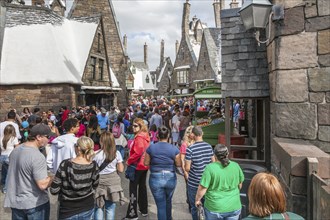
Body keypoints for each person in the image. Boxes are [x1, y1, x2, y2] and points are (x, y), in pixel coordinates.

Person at [4, 124, 53, 219]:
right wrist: (54, 177)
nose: (49, 140)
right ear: (38, 137)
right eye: (48, 137)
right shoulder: (37, 156)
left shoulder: (16, 150)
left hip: (16, 203)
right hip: (34, 204)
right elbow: (42, 185)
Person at [50, 136, 99, 220]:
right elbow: (95, 185)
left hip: (67, 209)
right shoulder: (94, 165)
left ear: (78, 148)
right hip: (87, 207)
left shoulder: (65, 164)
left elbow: (54, 190)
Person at [195, 144, 244, 220]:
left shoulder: (210, 168)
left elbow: (202, 188)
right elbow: (240, 186)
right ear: (227, 154)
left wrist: (198, 200)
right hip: (234, 206)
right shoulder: (236, 166)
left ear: (214, 155)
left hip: (215, 207)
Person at [144, 126, 181, 220]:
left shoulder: (151, 148)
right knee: (168, 201)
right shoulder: (174, 149)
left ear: (157, 136)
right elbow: (179, 164)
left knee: (160, 205)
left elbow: (146, 163)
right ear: (168, 135)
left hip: (155, 177)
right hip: (170, 177)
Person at [185, 126, 215, 220]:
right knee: (207, 207)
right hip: (207, 182)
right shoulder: (209, 146)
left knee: (194, 207)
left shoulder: (190, 149)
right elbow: (213, 163)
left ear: (193, 135)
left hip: (194, 183)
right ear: (202, 134)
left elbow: (187, 168)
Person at [94, 132, 125, 220]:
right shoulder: (117, 153)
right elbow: (121, 169)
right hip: (113, 183)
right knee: (110, 208)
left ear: (101, 141)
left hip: (99, 182)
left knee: (99, 206)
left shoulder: (95, 154)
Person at [124, 118, 150, 219]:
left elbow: (138, 152)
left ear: (140, 126)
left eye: (136, 126)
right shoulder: (145, 136)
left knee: (133, 189)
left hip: (137, 165)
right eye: (133, 125)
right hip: (144, 165)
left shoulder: (139, 137)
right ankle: (143, 209)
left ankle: (132, 214)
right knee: (142, 187)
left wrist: (129, 160)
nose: (133, 127)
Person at [0, 124, 19, 193]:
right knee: (9, 173)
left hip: (2, 156)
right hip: (10, 157)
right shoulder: (14, 138)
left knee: (4, 171)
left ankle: (2, 182)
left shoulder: (1, 138)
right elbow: (17, 149)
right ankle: (5, 189)